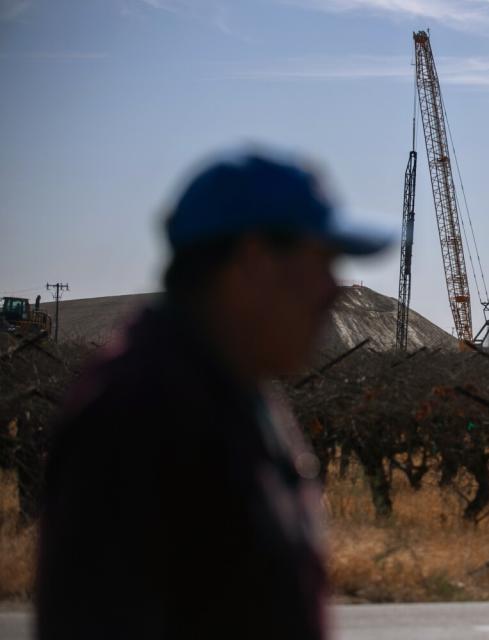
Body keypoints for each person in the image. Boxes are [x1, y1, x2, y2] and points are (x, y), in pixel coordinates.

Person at [35, 150, 390, 639]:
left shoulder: (237, 391)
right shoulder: (140, 415)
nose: (335, 290)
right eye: (322, 262)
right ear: (253, 261)